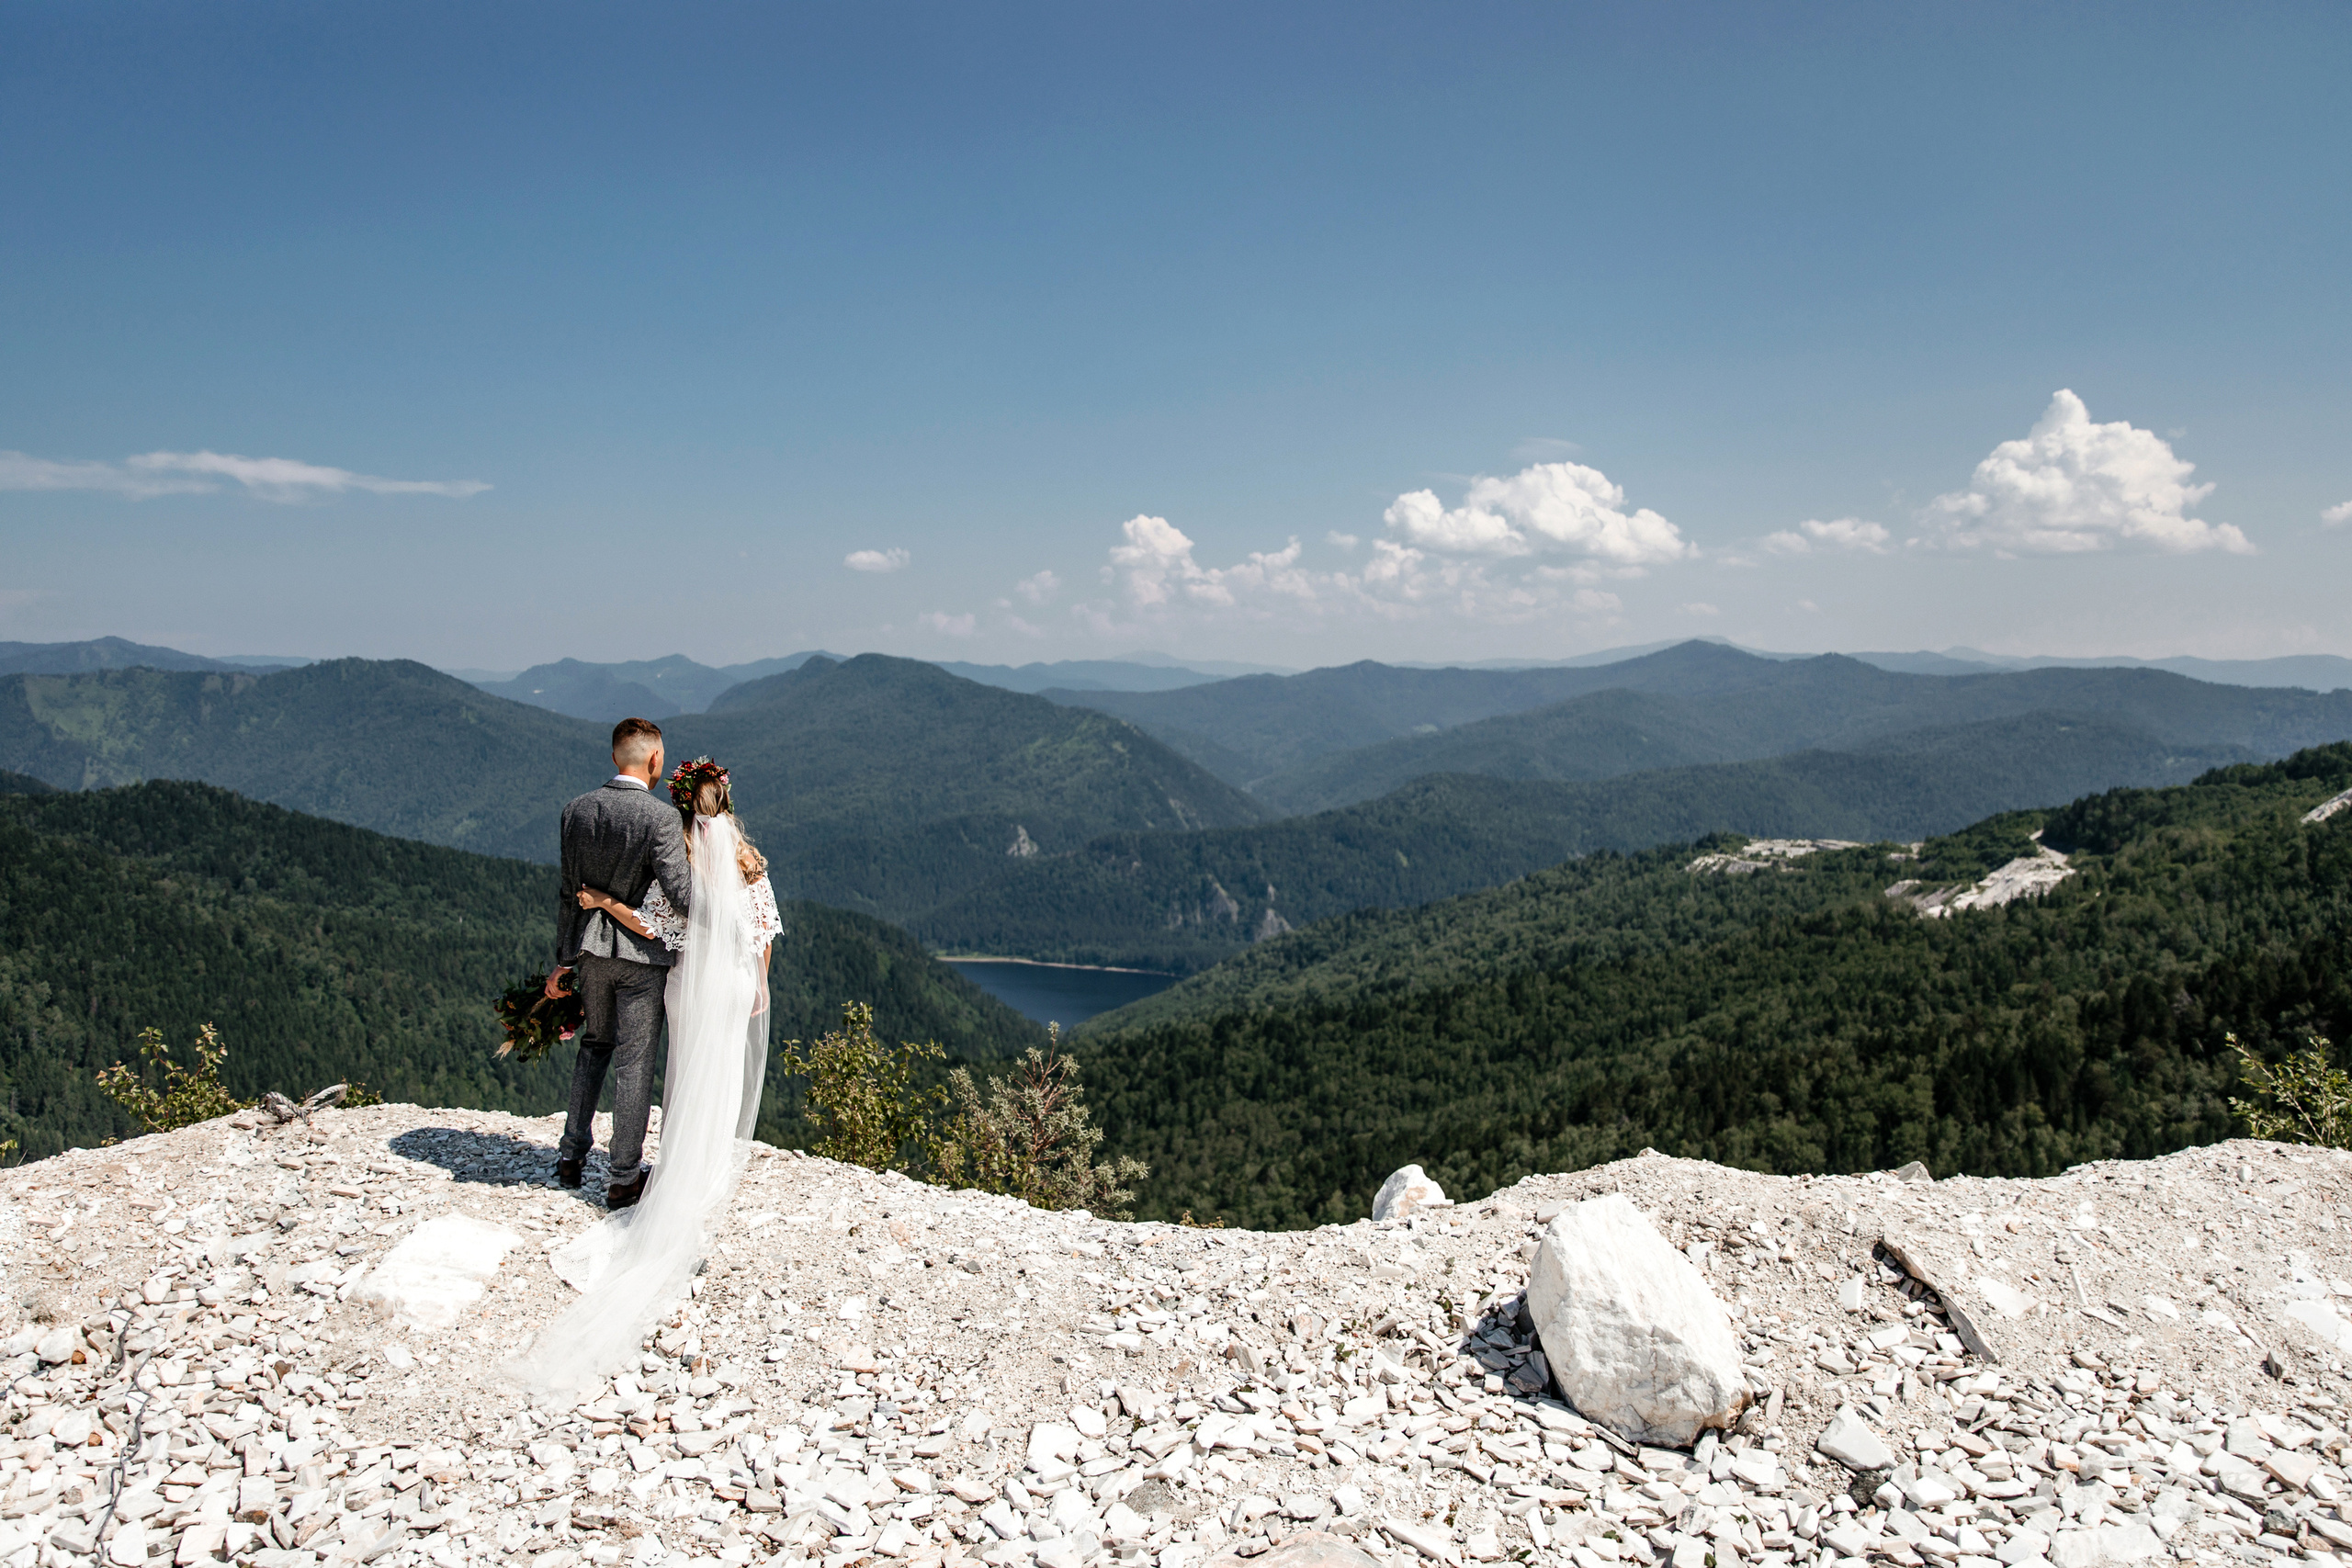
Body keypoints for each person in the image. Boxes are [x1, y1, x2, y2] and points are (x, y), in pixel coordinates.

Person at [512, 754, 781, 1395]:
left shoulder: (681, 860)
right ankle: (710, 1164)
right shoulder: (749, 863)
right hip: (739, 982)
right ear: (729, 804)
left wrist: (602, 899)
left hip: (687, 983)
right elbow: (765, 932)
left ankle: (675, 1166)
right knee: (723, 1074)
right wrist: (760, 985)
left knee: (685, 1074)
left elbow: (651, 925)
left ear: (686, 805)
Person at [548, 717, 694, 1210]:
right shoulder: (659, 819)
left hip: (588, 950)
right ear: (654, 760)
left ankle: (571, 1156)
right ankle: (623, 1176)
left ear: (615, 756)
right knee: (634, 1062)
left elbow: (570, 893)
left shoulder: (576, 811)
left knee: (594, 1045)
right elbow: (682, 895)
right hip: (640, 957)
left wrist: (562, 961)